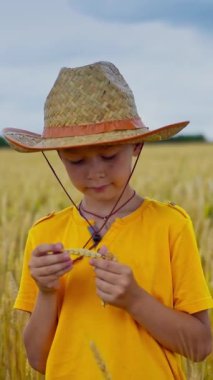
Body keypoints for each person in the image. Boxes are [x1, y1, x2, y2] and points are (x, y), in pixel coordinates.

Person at [3, 61, 213, 380]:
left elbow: (200, 347)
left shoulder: (171, 225)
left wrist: (135, 300)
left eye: (110, 156)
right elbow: (37, 359)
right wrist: (46, 291)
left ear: (136, 147)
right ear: (59, 156)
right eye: (77, 161)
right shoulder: (45, 235)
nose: (95, 172)